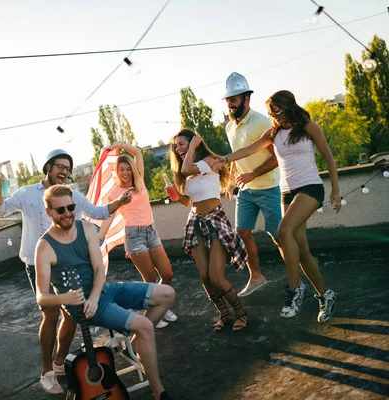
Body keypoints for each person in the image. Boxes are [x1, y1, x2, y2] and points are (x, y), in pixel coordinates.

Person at [0, 149, 133, 394]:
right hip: (38, 263)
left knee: (70, 315)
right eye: (60, 166)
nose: (64, 172)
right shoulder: (26, 193)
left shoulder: (72, 196)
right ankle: (46, 372)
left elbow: (98, 213)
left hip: (68, 263)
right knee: (51, 314)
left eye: (68, 168)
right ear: (48, 167)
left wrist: (120, 202)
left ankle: (60, 364)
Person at [35, 184, 175, 400]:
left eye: (70, 207)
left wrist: (94, 295)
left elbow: (99, 268)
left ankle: (138, 341)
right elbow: (41, 296)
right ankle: (159, 391)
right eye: (60, 210)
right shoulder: (45, 247)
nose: (67, 214)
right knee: (146, 326)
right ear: (49, 212)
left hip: (102, 291)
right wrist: (65, 298)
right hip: (82, 306)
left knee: (167, 293)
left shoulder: (87, 229)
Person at [217, 90, 339, 323]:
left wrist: (335, 189)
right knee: (301, 249)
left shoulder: (308, 127)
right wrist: (225, 159)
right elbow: (248, 150)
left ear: (287, 106)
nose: (273, 114)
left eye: (276, 109)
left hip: (310, 188)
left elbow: (329, 158)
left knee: (283, 232)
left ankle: (294, 291)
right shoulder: (274, 133)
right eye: (271, 111)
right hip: (287, 192)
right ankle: (326, 295)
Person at [170, 129, 249, 332]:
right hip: (195, 222)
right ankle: (223, 314)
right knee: (205, 277)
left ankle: (240, 313)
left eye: (182, 144)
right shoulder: (189, 171)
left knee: (216, 276)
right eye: (175, 146)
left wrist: (195, 146)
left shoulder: (209, 161)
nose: (178, 148)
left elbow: (187, 169)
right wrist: (176, 195)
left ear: (194, 142)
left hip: (214, 220)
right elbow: (189, 201)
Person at [101, 142, 176, 328]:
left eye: (127, 168)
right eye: (121, 170)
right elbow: (109, 216)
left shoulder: (140, 181)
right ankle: (149, 315)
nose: (125, 172)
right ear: (116, 172)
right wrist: (98, 237)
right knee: (149, 279)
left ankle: (161, 306)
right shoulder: (115, 193)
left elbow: (138, 152)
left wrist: (118, 144)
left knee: (167, 273)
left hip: (151, 232)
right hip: (134, 236)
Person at [223, 72, 283, 297]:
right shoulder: (230, 127)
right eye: (228, 100)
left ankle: (297, 276)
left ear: (246, 98)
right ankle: (256, 277)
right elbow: (235, 156)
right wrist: (231, 180)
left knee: (279, 236)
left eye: (234, 99)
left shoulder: (262, 122)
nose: (230, 103)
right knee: (242, 232)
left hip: (268, 188)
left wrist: (253, 174)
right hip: (246, 192)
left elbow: (277, 157)